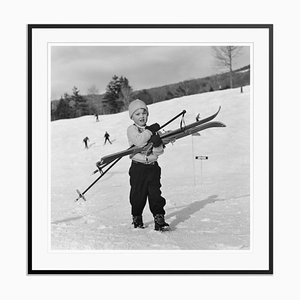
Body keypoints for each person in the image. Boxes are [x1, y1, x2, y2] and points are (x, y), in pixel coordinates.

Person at [127, 99, 169, 231]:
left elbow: (159, 152)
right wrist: (150, 132)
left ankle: (159, 217)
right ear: (132, 117)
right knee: (138, 195)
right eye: (137, 114)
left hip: (153, 167)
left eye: (144, 113)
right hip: (138, 167)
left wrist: (157, 144)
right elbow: (139, 142)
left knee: (155, 194)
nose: (141, 116)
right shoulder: (132, 129)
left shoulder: (153, 131)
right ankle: (137, 217)